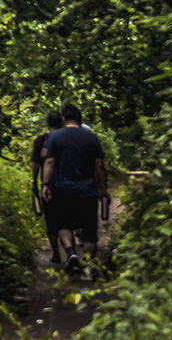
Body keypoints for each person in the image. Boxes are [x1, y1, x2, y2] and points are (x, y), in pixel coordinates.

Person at [41, 102, 107, 275]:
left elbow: (49, 161)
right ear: (80, 119)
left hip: (61, 190)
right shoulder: (91, 137)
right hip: (87, 191)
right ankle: (89, 264)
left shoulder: (55, 137)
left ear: (63, 119)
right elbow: (99, 165)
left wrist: (45, 185)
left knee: (63, 225)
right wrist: (102, 189)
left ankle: (70, 253)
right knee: (89, 230)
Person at [30, 110, 63, 264]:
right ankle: (71, 250)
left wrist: (34, 181)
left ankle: (56, 253)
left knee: (51, 219)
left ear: (48, 123)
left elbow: (36, 164)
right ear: (62, 121)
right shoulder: (67, 138)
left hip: (48, 185)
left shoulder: (41, 140)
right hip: (68, 184)